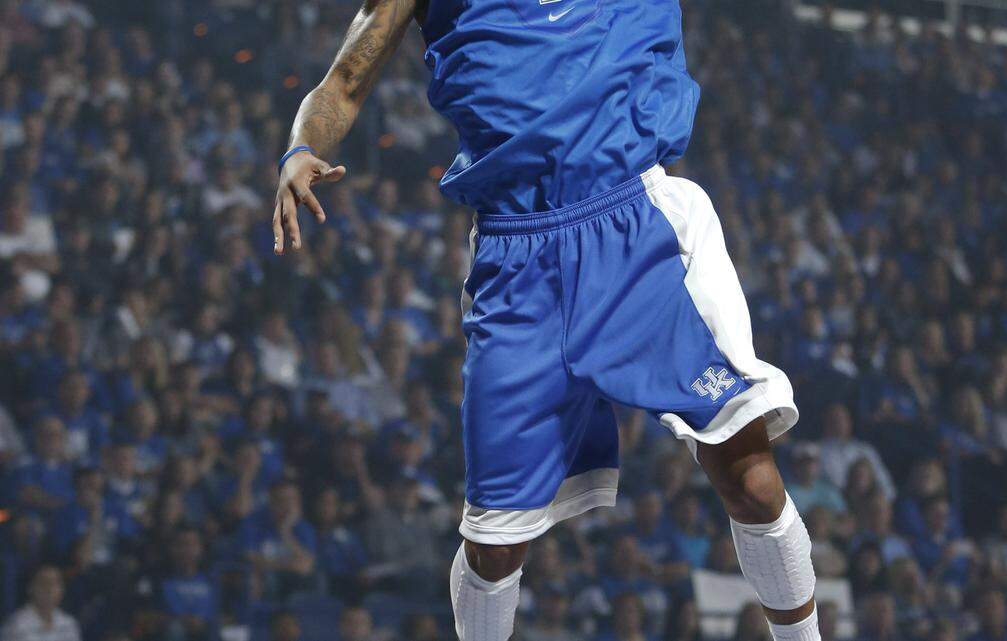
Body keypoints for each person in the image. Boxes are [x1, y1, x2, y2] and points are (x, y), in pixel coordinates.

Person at [270, 2, 818, 641]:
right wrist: (300, 148)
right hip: (516, 255)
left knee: (747, 473)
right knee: (494, 544)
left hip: (639, 223)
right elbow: (341, 84)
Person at [0, 565, 81, 641]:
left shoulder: (69, 624)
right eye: (44, 582)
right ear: (30, 588)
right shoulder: (16, 626)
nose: (50, 588)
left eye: (55, 583)